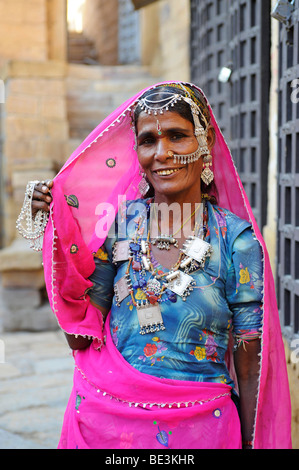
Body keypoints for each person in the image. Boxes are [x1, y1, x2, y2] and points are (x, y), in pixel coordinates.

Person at [18, 81, 292, 449]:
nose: (161, 153)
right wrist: (56, 235)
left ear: (205, 141)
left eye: (177, 136)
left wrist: (249, 442)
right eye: (148, 141)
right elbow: (81, 334)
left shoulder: (236, 242)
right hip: (107, 428)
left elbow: (250, 365)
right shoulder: (121, 226)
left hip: (201, 431)